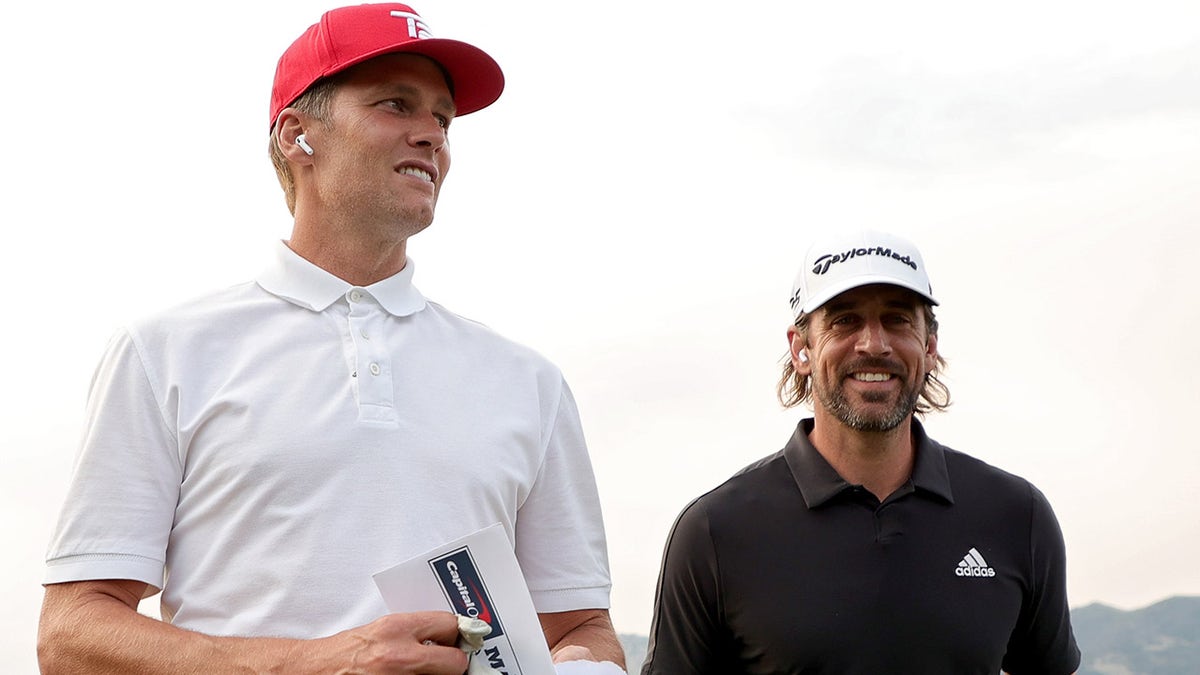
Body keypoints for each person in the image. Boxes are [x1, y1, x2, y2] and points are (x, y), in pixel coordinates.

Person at [38, 4, 625, 673]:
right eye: (396, 105)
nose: (431, 135)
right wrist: (312, 661)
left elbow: (581, 628)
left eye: (442, 117)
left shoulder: (529, 382)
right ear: (296, 135)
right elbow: (72, 635)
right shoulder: (164, 352)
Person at [640, 230, 1080, 674]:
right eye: (844, 320)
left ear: (929, 346)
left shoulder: (1016, 515)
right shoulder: (714, 532)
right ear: (801, 349)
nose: (874, 343)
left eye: (897, 319)